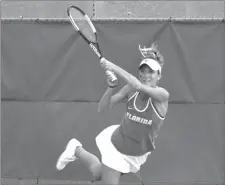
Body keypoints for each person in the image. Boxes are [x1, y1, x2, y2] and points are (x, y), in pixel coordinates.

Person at [56, 43, 169, 185]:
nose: (146, 75)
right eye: (143, 71)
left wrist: (111, 66)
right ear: (139, 73)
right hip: (117, 146)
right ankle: (75, 149)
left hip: (137, 154)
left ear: (158, 75)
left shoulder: (162, 95)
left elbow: (138, 85)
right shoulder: (130, 90)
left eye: (151, 72)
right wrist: (110, 88)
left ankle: (76, 149)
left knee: (97, 172)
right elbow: (102, 107)